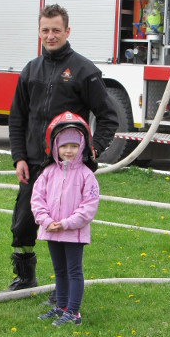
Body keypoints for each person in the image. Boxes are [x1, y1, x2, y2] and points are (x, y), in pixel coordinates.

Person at [7, 3, 118, 293]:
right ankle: (25, 277)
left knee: (63, 228)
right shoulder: (30, 70)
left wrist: (93, 150)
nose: (51, 35)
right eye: (45, 30)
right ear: (38, 31)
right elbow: (17, 118)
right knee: (24, 222)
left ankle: (64, 290)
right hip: (33, 162)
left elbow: (108, 116)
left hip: (65, 167)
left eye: (56, 30)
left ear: (67, 31)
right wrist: (19, 157)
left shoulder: (84, 71)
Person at [31, 114, 99, 326]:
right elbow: (37, 199)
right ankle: (61, 306)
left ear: (82, 147)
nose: (68, 150)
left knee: (74, 271)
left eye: (74, 146)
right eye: (64, 146)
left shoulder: (87, 175)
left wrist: (66, 223)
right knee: (59, 270)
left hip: (73, 233)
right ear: (55, 147)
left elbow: (88, 207)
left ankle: (74, 312)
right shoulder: (47, 173)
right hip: (52, 231)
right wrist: (46, 221)